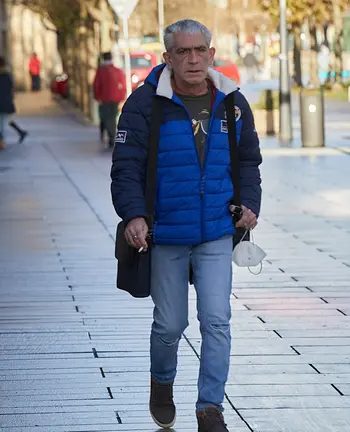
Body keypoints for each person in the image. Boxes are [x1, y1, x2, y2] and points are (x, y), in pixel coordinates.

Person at [110, 19, 262, 432]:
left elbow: (248, 161)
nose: (192, 59)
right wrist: (134, 215)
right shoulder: (144, 105)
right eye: (183, 52)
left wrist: (250, 204)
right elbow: (126, 168)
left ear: (211, 55)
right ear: (169, 58)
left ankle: (209, 408)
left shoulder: (232, 102)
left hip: (215, 230)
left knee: (216, 320)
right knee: (170, 324)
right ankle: (162, 383)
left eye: (200, 51)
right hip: (167, 234)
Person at [93, 52, 127, 149]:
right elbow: (123, 85)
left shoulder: (101, 71)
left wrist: (97, 97)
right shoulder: (118, 71)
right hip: (115, 98)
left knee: (107, 117)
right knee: (112, 117)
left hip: (104, 98)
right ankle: (111, 136)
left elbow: (97, 85)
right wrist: (121, 97)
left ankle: (111, 136)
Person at [0, 56, 26, 148]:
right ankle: (2, 141)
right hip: (6, 102)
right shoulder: (8, 75)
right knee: (4, 124)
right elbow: (11, 89)